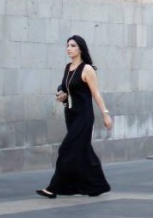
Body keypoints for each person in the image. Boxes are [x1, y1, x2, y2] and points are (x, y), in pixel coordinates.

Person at [36, 34, 113, 198]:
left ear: (80, 49)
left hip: (84, 116)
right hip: (71, 114)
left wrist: (105, 114)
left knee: (66, 149)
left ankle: (53, 188)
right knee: (84, 151)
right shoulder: (67, 67)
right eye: (67, 46)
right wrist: (62, 96)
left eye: (72, 46)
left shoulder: (87, 69)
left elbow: (96, 93)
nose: (69, 49)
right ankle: (97, 185)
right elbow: (68, 89)